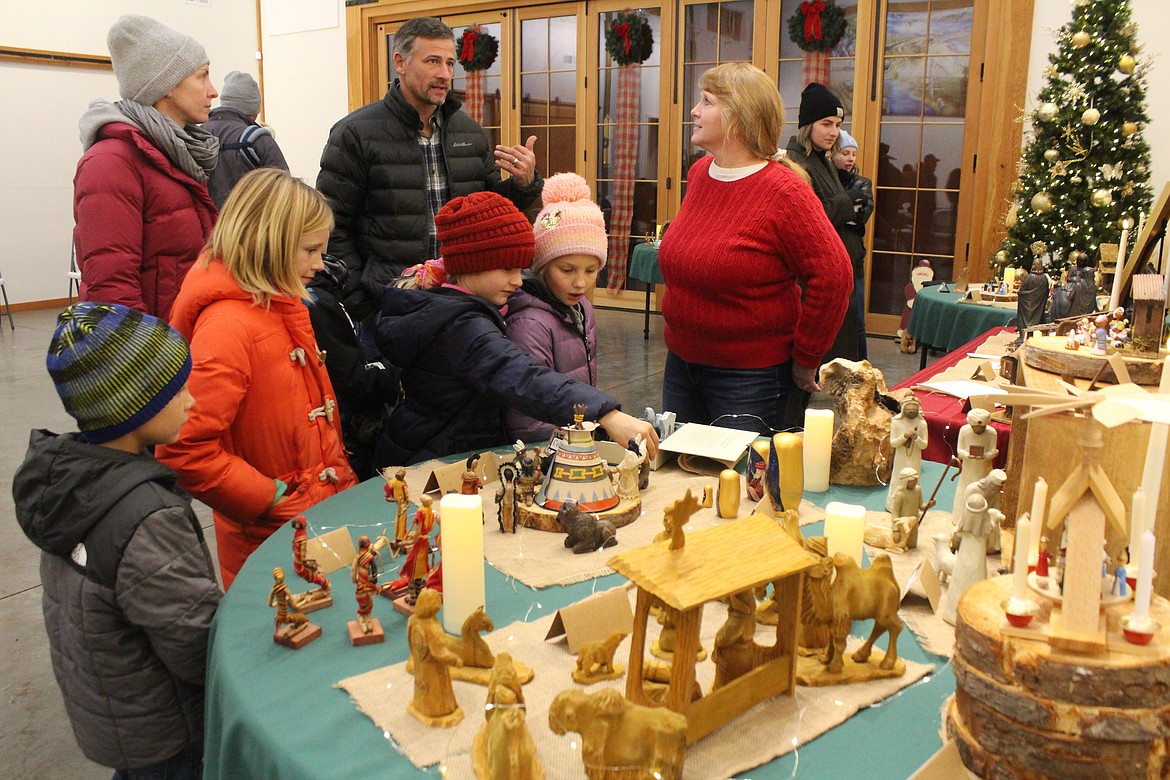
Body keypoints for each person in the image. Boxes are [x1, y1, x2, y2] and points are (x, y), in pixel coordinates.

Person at [13, 302, 221, 779]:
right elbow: (196, 644)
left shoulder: (67, 483)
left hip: (117, 717)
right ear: (135, 406)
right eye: (176, 390)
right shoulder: (147, 516)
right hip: (170, 731)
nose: (191, 400)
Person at [157, 168, 358, 589]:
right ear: (272, 242)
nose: (320, 265)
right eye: (310, 250)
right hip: (270, 545)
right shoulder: (228, 327)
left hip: (310, 524)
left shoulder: (280, 307)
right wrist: (271, 499)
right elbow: (185, 448)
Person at [374, 191, 659, 467]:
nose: (518, 281)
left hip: (443, 451)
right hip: (431, 463)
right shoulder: (462, 326)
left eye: (520, 269)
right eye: (507, 270)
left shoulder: (465, 309)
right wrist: (604, 413)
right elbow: (523, 376)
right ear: (472, 265)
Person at [657, 63, 852, 435]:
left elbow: (835, 274)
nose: (694, 111)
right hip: (681, 366)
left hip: (749, 379)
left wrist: (807, 355)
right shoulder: (699, 174)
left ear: (737, 117)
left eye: (707, 101)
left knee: (743, 486)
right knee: (682, 483)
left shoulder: (785, 191)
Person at [316, 16, 544, 321]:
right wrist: (362, 299)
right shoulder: (354, 134)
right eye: (433, 61)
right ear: (400, 62)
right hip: (390, 303)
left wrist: (523, 184)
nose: (444, 74)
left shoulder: (469, 132)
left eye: (450, 63)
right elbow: (334, 226)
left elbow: (490, 211)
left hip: (460, 299)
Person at [74, 15, 219, 321]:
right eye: (202, 76)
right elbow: (111, 287)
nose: (213, 91)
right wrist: (149, 360)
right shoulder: (110, 163)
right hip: (156, 351)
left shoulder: (179, 155)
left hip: (189, 337)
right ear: (166, 85)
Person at [504, 172, 607, 443]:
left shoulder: (582, 307)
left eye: (591, 270)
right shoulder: (529, 324)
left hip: (575, 440)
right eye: (567, 269)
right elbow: (526, 422)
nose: (580, 282)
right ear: (542, 265)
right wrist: (591, 435)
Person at [785, 82, 863, 366]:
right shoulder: (795, 163)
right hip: (811, 280)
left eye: (838, 124)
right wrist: (847, 203)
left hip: (838, 269)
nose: (834, 132)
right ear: (808, 125)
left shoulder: (823, 160)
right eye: (826, 123)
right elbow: (810, 218)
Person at [306, 255, 398, 481]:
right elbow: (350, 377)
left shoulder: (326, 291)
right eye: (310, 250)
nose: (319, 263)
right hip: (346, 430)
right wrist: (394, 376)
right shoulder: (317, 305)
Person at [202, 70, 289, 208]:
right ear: (253, 109)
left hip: (207, 225)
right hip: (250, 227)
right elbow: (286, 191)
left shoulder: (197, 135)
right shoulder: (257, 140)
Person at [833, 129, 874, 360]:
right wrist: (847, 207)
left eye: (853, 154)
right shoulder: (826, 183)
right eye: (845, 153)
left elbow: (860, 216)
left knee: (856, 318)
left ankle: (861, 366)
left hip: (853, 258)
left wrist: (840, 211)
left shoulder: (863, 183)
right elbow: (823, 215)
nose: (850, 158)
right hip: (829, 257)